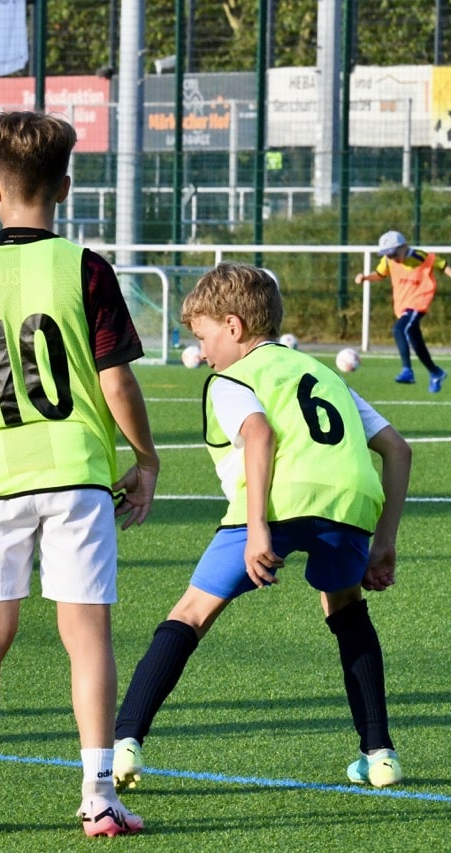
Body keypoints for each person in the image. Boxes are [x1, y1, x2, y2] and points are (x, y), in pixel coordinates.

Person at [0, 111, 159, 838]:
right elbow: (116, 381)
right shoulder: (85, 266)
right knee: (87, 635)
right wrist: (145, 457)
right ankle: (99, 796)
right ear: (66, 187)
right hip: (77, 473)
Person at [112, 263, 411, 793]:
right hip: (349, 505)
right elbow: (398, 449)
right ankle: (381, 755)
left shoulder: (232, 378)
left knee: (190, 613)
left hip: (276, 502)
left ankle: (124, 743)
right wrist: (384, 542)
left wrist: (256, 530)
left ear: (233, 326)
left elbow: (259, 434)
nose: (203, 352)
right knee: (346, 610)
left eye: (203, 337)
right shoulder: (324, 374)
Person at [354, 229, 450, 393]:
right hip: (403, 305)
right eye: (388, 254)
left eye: (393, 253)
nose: (391, 257)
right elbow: (380, 274)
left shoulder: (421, 257)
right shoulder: (388, 260)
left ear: (404, 246)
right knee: (414, 339)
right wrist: (365, 277)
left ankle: (407, 371)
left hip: (418, 302)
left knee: (399, 329)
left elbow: (443, 265)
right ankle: (436, 372)